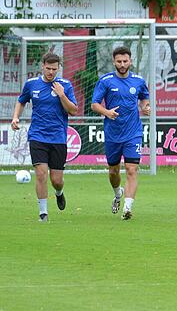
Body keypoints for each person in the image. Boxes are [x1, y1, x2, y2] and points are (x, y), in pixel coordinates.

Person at [11, 52, 78, 222]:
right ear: (42, 66)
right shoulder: (32, 84)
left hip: (58, 138)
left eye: (54, 69)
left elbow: (73, 110)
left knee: (56, 180)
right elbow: (21, 100)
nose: (50, 72)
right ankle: (43, 214)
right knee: (41, 174)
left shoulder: (65, 85)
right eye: (48, 68)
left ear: (58, 68)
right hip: (37, 136)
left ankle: (59, 192)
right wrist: (15, 117)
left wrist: (62, 94)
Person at [90, 46, 151, 220]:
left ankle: (128, 207)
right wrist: (107, 112)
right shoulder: (106, 81)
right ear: (114, 61)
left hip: (133, 133)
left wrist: (145, 107)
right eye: (119, 61)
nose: (123, 64)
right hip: (113, 134)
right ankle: (118, 194)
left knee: (132, 169)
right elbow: (94, 104)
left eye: (125, 61)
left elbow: (144, 98)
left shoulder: (138, 81)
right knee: (113, 172)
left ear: (130, 61)